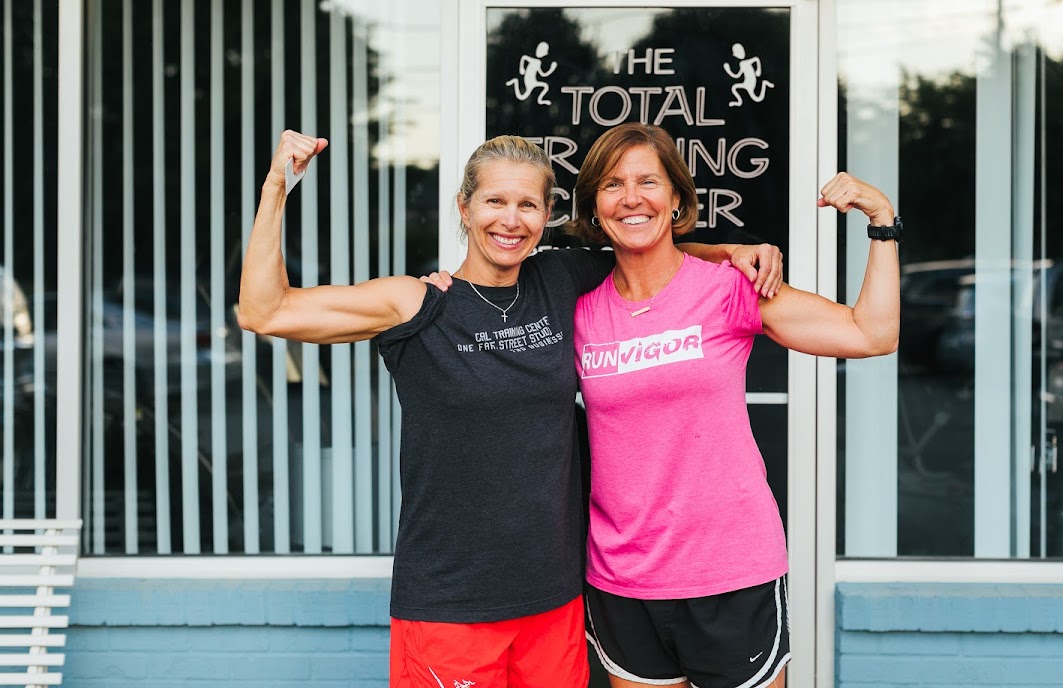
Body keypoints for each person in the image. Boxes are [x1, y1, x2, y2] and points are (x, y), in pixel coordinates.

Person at [238, 130, 784, 688]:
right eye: (495, 201)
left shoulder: (560, 278)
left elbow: (644, 244)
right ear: (464, 207)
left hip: (554, 602)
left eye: (527, 204)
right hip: (450, 603)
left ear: (546, 215)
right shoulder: (416, 303)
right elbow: (264, 311)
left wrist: (731, 253)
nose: (510, 219)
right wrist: (277, 186)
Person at [568, 123, 900, 688]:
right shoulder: (578, 306)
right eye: (612, 184)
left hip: (731, 573)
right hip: (623, 578)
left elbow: (871, 333)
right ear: (594, 207)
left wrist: (882, 222)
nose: (631, 198)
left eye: (648, 181)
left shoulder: (725, 289)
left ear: (677, 198)